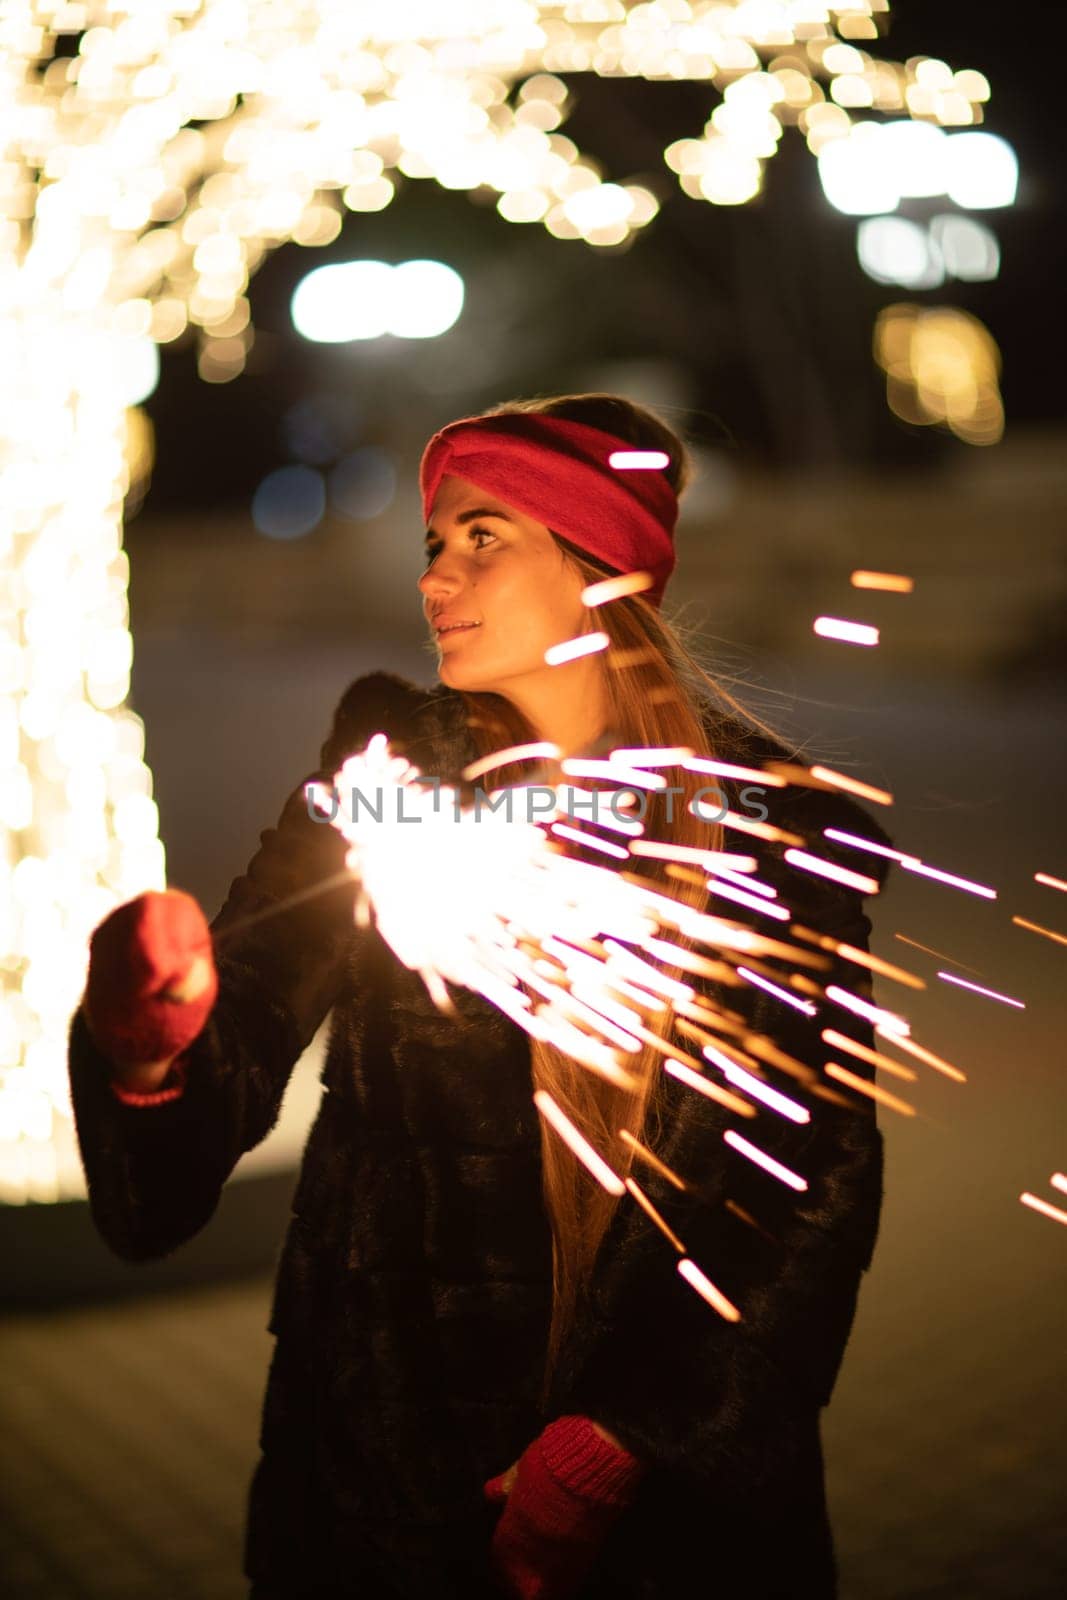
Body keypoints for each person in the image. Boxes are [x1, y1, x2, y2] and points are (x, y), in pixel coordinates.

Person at [69, 394, 893, 1599]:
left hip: (664, 1528)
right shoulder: (382, 779)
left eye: (482, 535)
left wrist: (620, 1443)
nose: (435, 575)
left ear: (598, 571)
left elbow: (811, 1185)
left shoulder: (763, 846)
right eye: (431, 545)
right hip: (385, 1497)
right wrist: (153, 1048)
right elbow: (238, 1026)